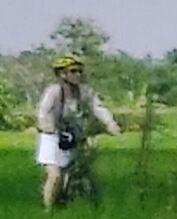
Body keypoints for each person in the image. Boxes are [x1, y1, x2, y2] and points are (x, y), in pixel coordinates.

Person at [36, 52, 121, 209]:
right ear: (62, 74)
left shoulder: (84, 92)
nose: (78, 75)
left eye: (80, 71)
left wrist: (110, 123)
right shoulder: (54, 91)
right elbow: (43, 112)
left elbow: (97, 107)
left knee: (79, 170)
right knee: (54, 175)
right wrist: (50, 128)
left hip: (73, 136)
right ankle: (47, 209)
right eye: (73, 71)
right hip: (53, 137)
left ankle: (70, 199)